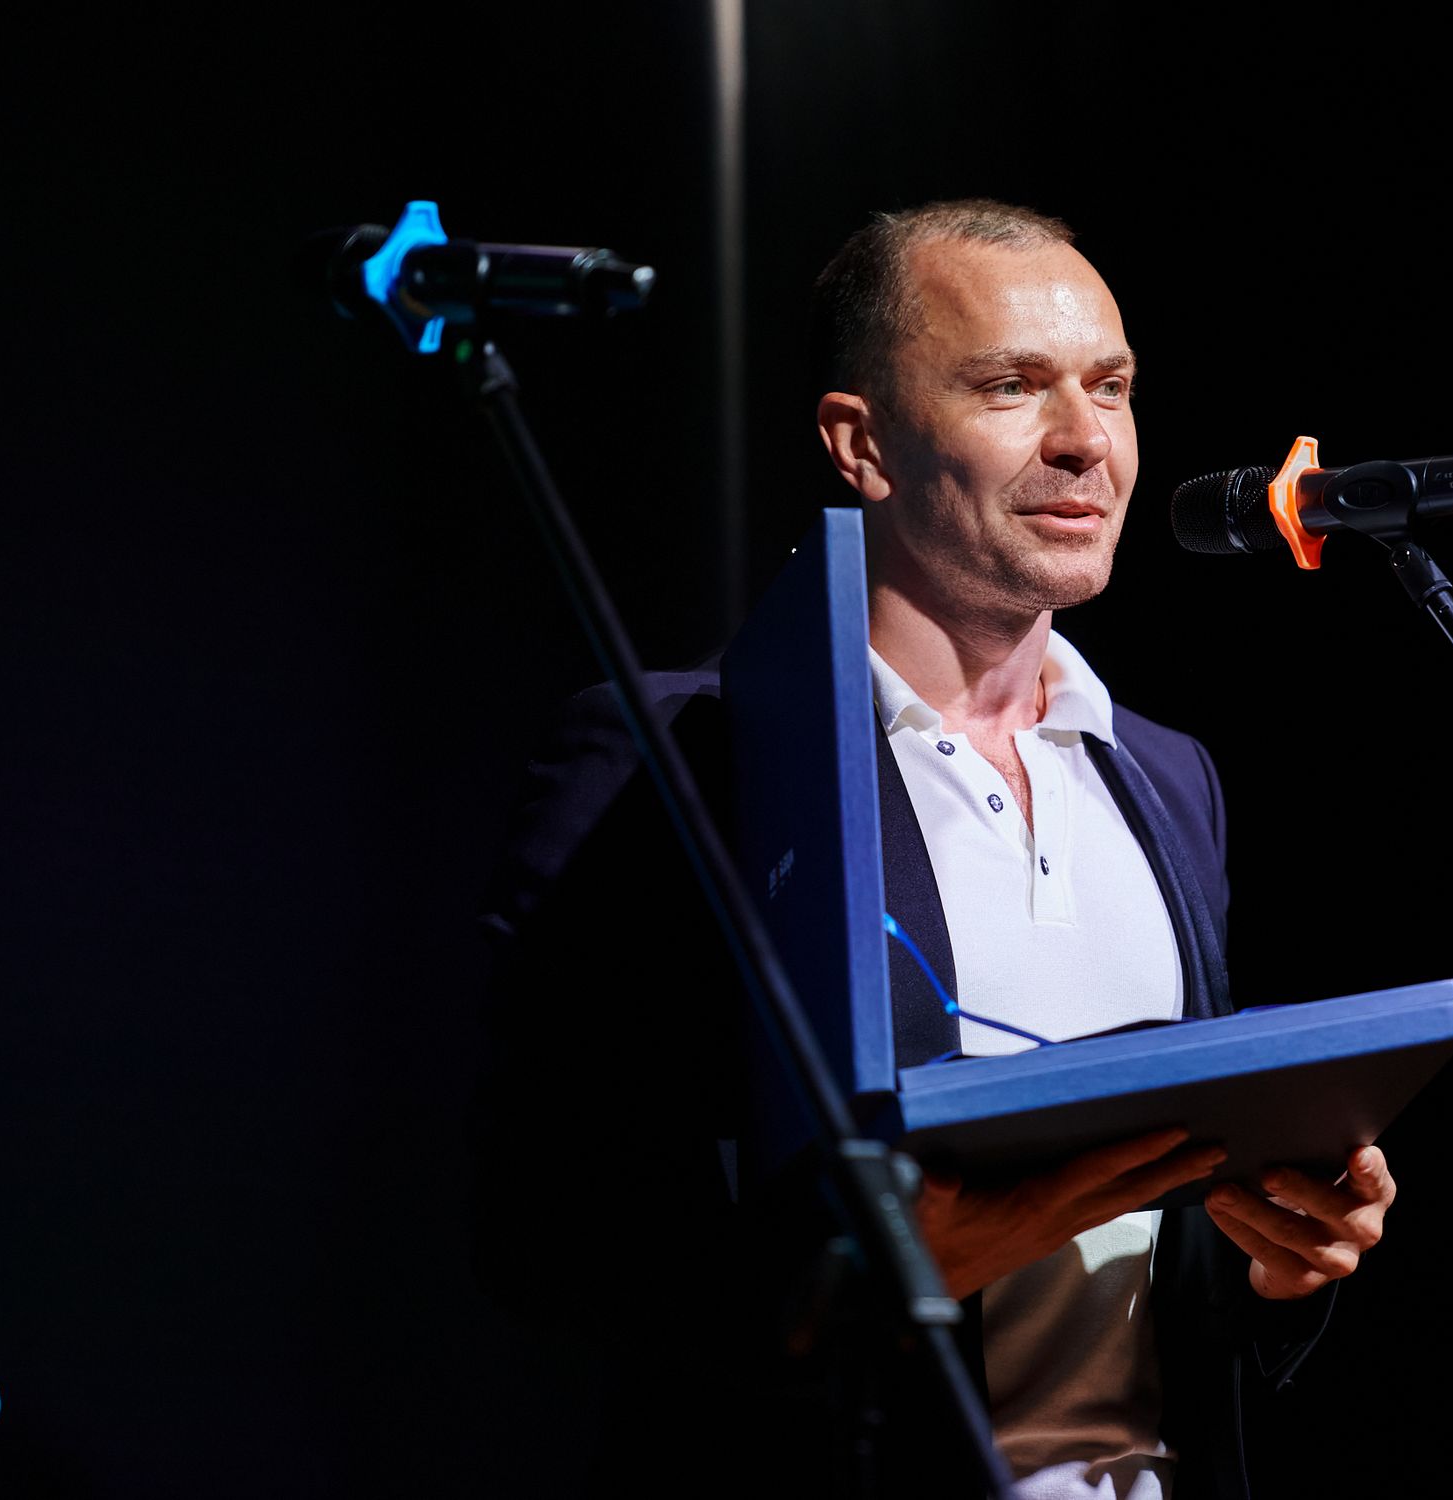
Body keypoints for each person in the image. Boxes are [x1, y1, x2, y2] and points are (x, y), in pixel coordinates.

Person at [476, 199, 1396, 1498]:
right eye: (1011, 386)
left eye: (1111, 387)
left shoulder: (1165, 774)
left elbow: (1161, 1236)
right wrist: (868, 1279)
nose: (1084, 439)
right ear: (862, 443)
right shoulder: (680, 756)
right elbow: (540, 1237)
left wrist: (1282, 1258)